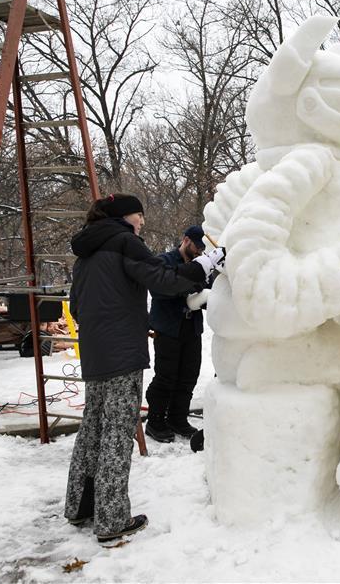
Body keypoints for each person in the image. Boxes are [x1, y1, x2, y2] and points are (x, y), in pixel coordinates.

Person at [64, 194, 222, 543]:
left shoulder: (87, 252)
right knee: (119, 435)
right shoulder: (124, 243)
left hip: (95, 353)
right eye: (140, 215)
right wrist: (205, 264)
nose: (143, 222)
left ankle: (80, 505)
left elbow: (75, 307)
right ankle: (111, 520)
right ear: (124, 216)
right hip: (122, 355)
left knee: (93, 428)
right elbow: (164, 280)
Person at [144, 225, 210, 442]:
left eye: (203, 249)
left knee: (188, 376)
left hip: (191, 329)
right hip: (169, 328)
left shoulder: (202, 264)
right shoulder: (164, 262)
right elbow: (160, 288)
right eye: (198, 246)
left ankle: (177, 418)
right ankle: (155, 421)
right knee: (166, 377)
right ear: (186, 240)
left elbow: (207, 286)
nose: (200, 252)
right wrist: (189, 289)